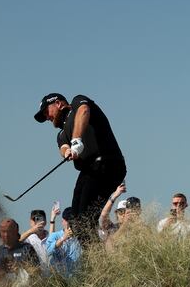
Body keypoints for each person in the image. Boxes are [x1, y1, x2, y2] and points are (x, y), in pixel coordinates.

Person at [34, 93, 127, 243]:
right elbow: (63, 146)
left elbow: (84, 110)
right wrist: (67, 151)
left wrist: (76, 140)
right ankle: (94, 258)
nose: (47, 117)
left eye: (47, 112)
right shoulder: (61, 133)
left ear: (58, 104)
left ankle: (99, 260)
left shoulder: (77, 103)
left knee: (85, 217)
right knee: (76, 221)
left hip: (108, 163)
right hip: (90, 170)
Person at [45, 208, 83, 276]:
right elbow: (48, 251)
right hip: (60, 280)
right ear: (63, 221)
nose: (71, 224)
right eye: (69, 221)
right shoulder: (55, 235)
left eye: (73, 221)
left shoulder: (81, 237)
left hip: (77, 278)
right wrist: (63, 238)